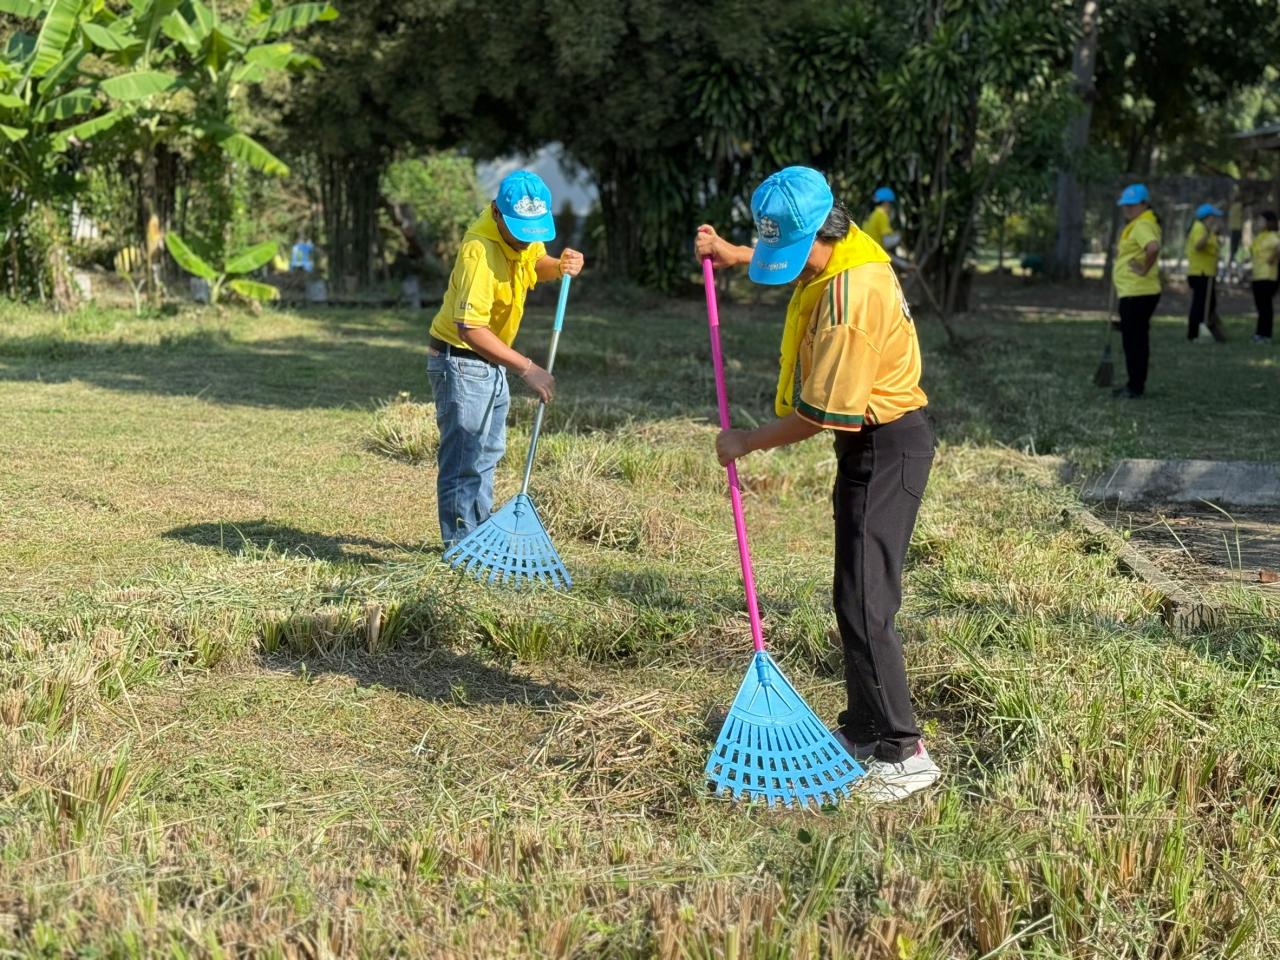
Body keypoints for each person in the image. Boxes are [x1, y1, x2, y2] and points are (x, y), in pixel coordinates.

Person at [695, 166, 939, 803]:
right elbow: (804, 259)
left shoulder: (848, 305)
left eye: (790, 253)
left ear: (817, 240)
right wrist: (732, 253)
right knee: (851, 592)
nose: (791, 265)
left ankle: (903, 751)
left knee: (866, 601)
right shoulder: (849, 244)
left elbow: (815, 416)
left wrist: (744, 441)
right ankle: (862, 729)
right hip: (872, 445)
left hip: (886, 447)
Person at [427, 170, 585, 546]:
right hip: (462, 359)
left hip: (490, 359)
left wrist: (560, 265)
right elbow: (469, 327)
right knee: (466, 458)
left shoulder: (521, 234)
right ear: (498, 214)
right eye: (518, 231)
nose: (524, 241)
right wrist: (528, 369)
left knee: (487, 453)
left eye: (531, 233)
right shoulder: (478, 251)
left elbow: (535, 265)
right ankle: (461, 545)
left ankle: (477, 538)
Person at [1112, 183, 1162, 399]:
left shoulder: (1142, 225)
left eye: (1132, 205)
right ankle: (1135, 384)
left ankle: (1135, 386)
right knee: (1136, 338)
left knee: (1134, 341)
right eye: (1125, 205)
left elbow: (1153, 248)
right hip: (1136, 291)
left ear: (1144, 203)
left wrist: (1143, 268)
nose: (1128, 209)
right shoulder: (1142, 223)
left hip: (1137, 292)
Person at [1184, 203, 1224, 343]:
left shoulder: (1208, 230)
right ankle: (1194, 333)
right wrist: (1208, 234)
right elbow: (1198, 246)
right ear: (1208, 217)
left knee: (1210, 304)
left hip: (1208, 272)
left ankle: (1210, 330)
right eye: (1215, 217)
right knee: (1200, 304)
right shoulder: (1199, 228)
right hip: (1200, 273)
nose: (1217, 220)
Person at [1247, 210, 1279, 344]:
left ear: (1269, 222)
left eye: (1261, 220)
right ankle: (1259, 334)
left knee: (1265, 307)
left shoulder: (1273, 235)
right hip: (1257, 276)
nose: (1258, 222)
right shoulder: (1260, 236)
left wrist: (1272, 258)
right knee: (1260, 307)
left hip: (1268, 277)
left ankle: (1266, 336)